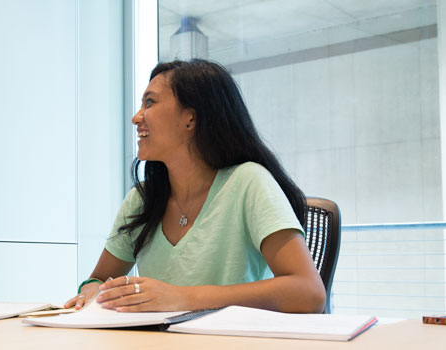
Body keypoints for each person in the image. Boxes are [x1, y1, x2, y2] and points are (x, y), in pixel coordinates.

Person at [65, 59, 325, 313]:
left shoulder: (248, 182)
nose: (136, 117)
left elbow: (309, 293)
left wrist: (181, 297)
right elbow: (98, 280)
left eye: (150, 103)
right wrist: (91, 291)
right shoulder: (141, 199)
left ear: (191, 118)